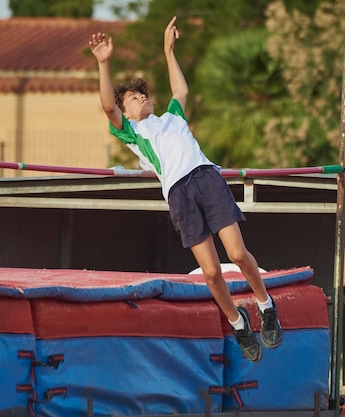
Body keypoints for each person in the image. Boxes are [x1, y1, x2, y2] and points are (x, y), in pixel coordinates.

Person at [88, 16, 283, 363]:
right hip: (179, 194)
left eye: (143, 93)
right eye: (134, 97)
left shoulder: (173, 117)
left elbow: (181, 90)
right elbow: (107, 106)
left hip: (206, 179)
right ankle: (238, 324)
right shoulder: (134, 133)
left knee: (237, 255)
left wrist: (168, 50)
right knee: (210, 272)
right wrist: (104, 63)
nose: (142, 98)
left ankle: (267, 306)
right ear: (127, 112)